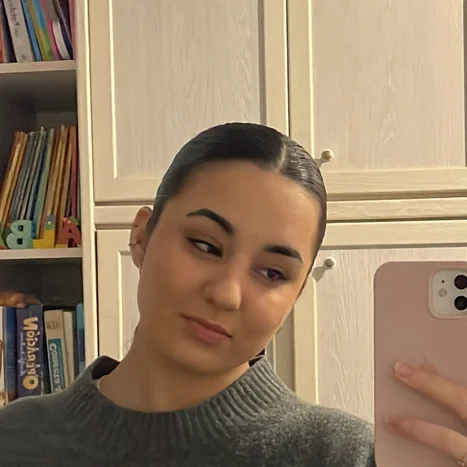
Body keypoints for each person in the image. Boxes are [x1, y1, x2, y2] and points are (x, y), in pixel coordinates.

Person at [0, 123, 465, 466]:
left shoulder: (347, 456)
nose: (226, 294)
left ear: (297, 295)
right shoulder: (16, 439)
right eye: (205, 246)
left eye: (272, 272)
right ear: (141, 236)